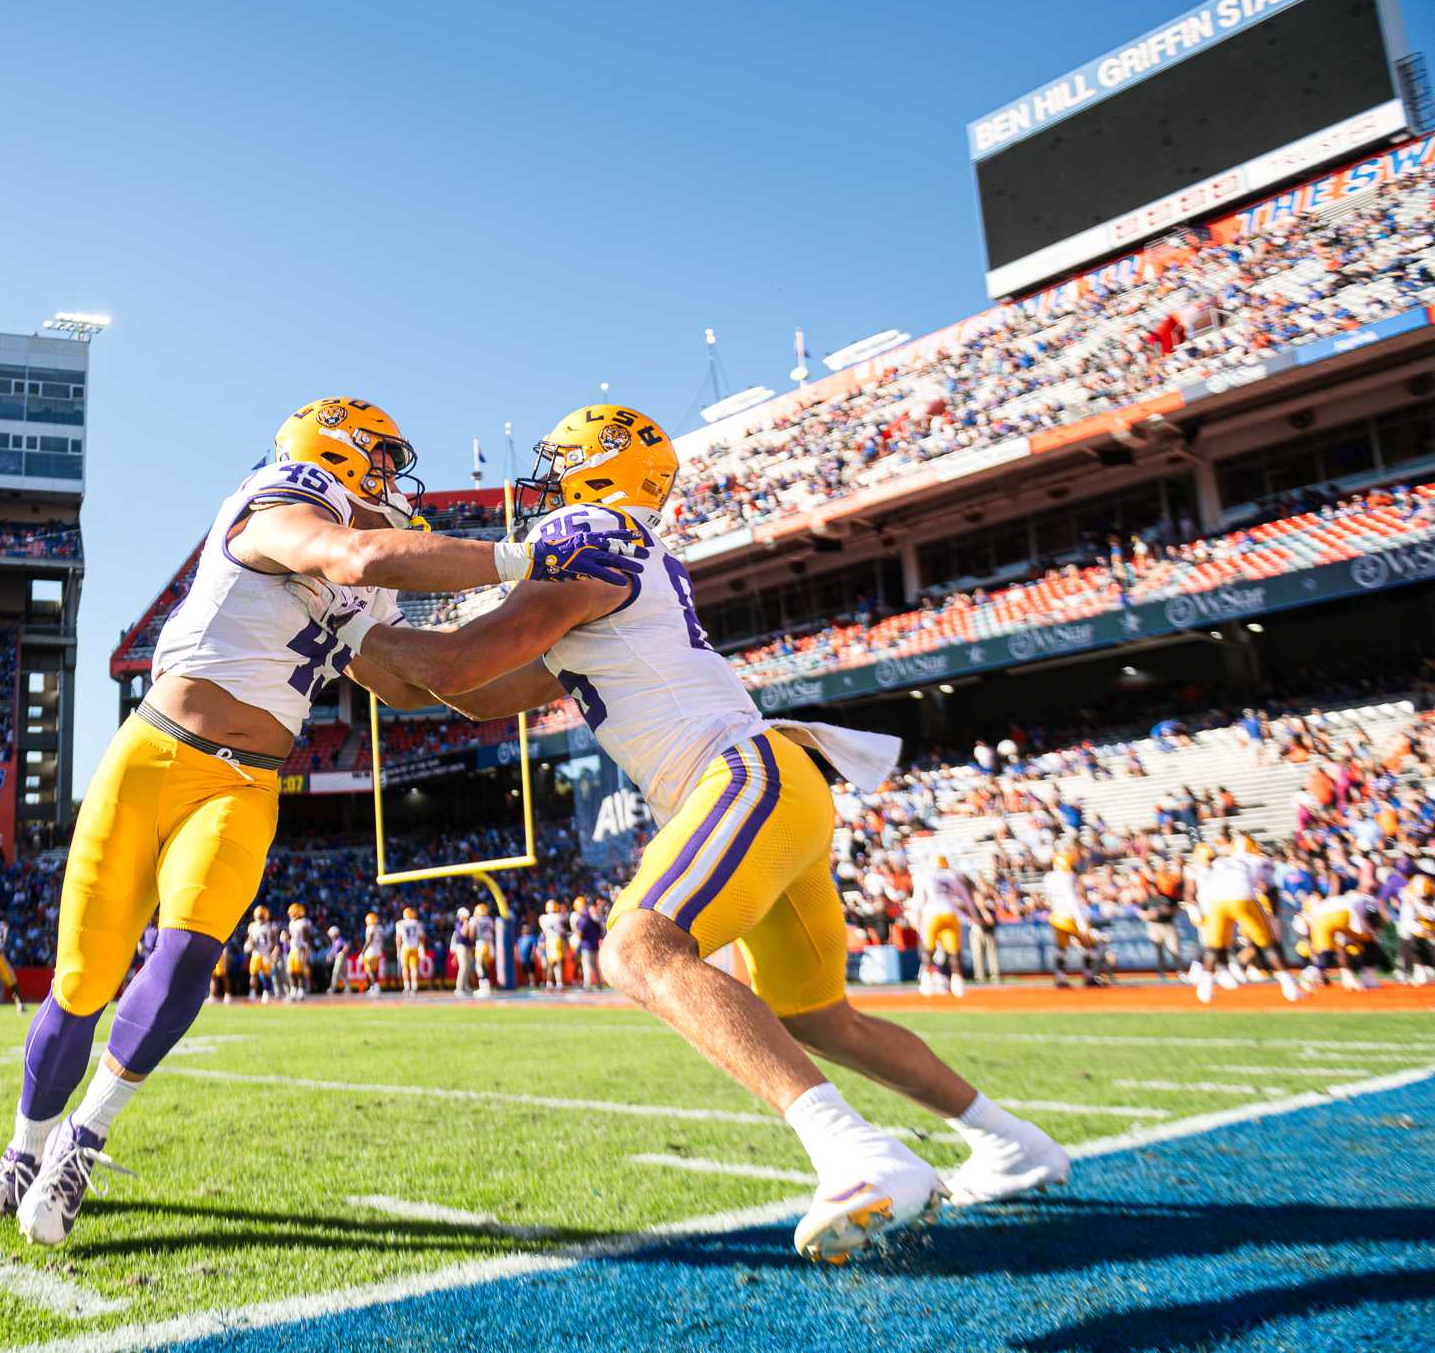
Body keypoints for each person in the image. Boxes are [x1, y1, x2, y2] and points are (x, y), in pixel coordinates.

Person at [296, 402, 1068, 1264]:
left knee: (637, 950)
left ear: (600, 473)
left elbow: (455, 664)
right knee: (818, 1015)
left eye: (561, 466)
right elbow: (462, 693)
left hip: (741, 774)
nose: (544, 486)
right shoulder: (598, 571)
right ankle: (1011, 1143)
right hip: (776, 785)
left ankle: (857, 1152)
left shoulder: (593, 531)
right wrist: (349, 638)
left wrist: (347, 613)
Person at [0, 396, 638, 1247]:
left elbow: (433, 678)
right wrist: (523, 554)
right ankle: (20, 1153)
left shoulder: (366, 577)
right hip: (153, 759)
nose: (394, 481)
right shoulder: (274, 504)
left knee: (187, 955)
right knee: (82, 981)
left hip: (244, 786)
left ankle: (82, 1140)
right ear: (335, 453)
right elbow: (346, 553)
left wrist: (575, 669)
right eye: (381, 460)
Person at [1189, 840, 1302, 1004]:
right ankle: (1289, 988)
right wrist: (1273, 915)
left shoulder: (1221, 860)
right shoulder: (1257, 860)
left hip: (1216, 902)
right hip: (1242, 899)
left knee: (1213, 946)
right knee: (1268, 944)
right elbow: (1271, 889)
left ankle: (1204, 990)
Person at [915, 856, 975, 998]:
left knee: (928, 950)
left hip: (932, 915)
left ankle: (927, 983)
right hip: (950, 914)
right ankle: (958, 985)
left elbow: (919, 901)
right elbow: (966, 898)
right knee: (954, 952)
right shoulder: (952, 876)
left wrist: (918, 921)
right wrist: (974, 916)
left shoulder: (926, 876)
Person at [1042, 857, 1098, 989]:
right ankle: (1089, 976)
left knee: (1061, 948)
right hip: (1069, 917)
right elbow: (1070, 898)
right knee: (1089, 944)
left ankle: (1060, 977)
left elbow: (1048, 897)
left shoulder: (1048, 877)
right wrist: (1080, 921)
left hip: (1056, 916)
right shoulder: (1067, 877)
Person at [284, 903, 313, 1002]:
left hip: (301, 949)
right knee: (291, 972)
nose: (290, 914)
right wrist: (286, 937)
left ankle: (301, 992)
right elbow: (292, 936)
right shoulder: (292, 923)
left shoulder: (304, 922)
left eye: (292, 912)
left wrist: (305, 951)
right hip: (293, 949)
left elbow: (306, 938)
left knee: (300, 972)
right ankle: (293, 991)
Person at [394, 906, 426, 997]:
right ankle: (414, 987)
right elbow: (421, 938)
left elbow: (398, 938)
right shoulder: (417, 923)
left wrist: (398, 949)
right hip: (415, 947)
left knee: (405, 968)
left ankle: (407, 987)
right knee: (414, 968)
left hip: (405, 948)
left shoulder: (400, 923)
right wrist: (422, 948)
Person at [538, 899, 569, 991]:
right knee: (558, 963)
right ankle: (559, 984)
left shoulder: (543, 918)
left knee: (550, 964)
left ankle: (549, 983)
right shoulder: (559, 916)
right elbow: (563, 928)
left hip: (549, 940)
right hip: (557, 940)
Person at [360, 912, 387, 998]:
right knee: (375, 970)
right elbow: (382, 940)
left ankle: (375, 986)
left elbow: (368, 941)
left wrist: (362, 952)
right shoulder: (380, 928)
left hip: (371, 951)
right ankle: (373, 987)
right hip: (378, 950)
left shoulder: (370, 928)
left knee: (369, 970)